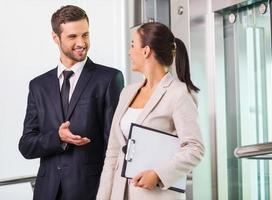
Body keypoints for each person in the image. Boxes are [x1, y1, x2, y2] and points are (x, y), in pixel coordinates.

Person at [18, 5, 124, 200]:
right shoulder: (38, 86)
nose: (81, 43)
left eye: (85, 35)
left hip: (90, 191)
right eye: (73, 37)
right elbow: (26, 145)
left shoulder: (109, 79)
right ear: (55, 38)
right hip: (46, 192)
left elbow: (115, 145)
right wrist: (58, 138)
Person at [97, 22, 205, 200]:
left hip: (154, 195)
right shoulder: (127, 92)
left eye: (133, 46)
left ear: (146, 51)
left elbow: (195, 149)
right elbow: (113, 153)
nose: (130, 52)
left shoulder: (178, 94)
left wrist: (158, 175)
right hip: (119, 193)